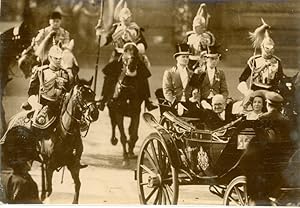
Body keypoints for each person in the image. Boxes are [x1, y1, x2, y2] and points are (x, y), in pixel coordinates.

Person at [27, 45, 87, 169]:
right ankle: (31, 153)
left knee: (75, 126)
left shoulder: (65, 73)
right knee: (36, 125)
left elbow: (70, 91)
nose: (59, 61)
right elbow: (32, 91)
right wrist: (34, 103)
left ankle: (76, 157)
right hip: (44, 105)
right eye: (56, 59)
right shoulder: (40, 71)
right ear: (49, 57)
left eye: (60, 59)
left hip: (60, 106)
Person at [238, 18, 284, 97]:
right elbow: (242, 79)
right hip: (256, 91)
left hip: (271, 92)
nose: (269, 51)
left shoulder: (277, 62)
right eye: (267, 48)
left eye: (271, 48)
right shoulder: (254, 61)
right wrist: (247, 92)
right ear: (262, 47)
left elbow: (281, 79)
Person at [162, 43, 205, 116]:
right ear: (177, 58)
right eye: (183, 57)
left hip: (189, 103)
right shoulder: (169, 73)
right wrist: (175, 103)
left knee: (203, 114)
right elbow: (167, 91)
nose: (186, 59)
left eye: (187, 57)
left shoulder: (191, 73)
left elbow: (195, 87)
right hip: (175, 104)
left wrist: (195, 93)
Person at [184, 3, 215, 71]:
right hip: (191, 59)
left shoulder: (206, 36)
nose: (195, 28)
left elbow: (207, 46)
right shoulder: (190, 36)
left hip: (202, 61)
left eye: (198, 27)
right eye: (195, 26)